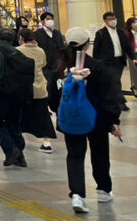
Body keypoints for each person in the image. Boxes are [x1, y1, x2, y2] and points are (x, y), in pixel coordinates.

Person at [60, 27, 123, 214]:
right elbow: (110, 95)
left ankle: (78, 194)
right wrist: (113, 120)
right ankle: (103, 188)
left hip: (71, 120)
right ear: (87, 44)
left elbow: (54, 94)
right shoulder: (97, 66)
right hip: (96, 118)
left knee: (75, 155)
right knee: (100, 153)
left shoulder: (61, 67)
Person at [0, 28, 31, 168]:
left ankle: (11, 150)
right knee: (14, 125)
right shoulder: (18, 53)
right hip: (17, 94)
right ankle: (20, 157)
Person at [16, 28, 56, 154]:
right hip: (40, 87)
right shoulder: (40, 51)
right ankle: (46, 142)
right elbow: (43, 64)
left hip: (24, 89)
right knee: (43, 115)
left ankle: (19, 142)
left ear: (21, 38)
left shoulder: (18, 51)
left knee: (21, 116)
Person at [93, 11, 135, 111]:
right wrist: (96, 63)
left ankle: (114, 101)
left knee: (115, 82)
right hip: (107, 62)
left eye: (114, 18)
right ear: (105, 21)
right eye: (110, 19)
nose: (113, 21)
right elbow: (96, 50)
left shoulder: (121, 32)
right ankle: (120, 103)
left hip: (119, 61)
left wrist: (133, 58)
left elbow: (127, 47)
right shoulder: (101, 33)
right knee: (115, 81)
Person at [35, 12, 66, 110]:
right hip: (46, 66)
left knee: (58, 88)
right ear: (42, 21)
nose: (50, 21)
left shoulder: (57, 33)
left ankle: (57, 106)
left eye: (52, 19)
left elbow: (62, 47)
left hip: (58, 66)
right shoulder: (37, 34)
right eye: (48, 19)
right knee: (48, 88)